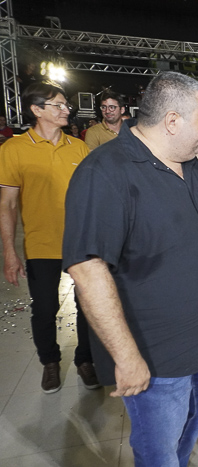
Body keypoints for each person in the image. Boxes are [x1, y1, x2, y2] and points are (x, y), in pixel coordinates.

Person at [62, 72, 198, 466]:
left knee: (193, 421)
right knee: (159, 448)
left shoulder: (188, 163)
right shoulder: (105, 171)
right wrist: (126, 357)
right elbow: (88, 269)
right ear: (172, 121)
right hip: (157, 354)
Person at [0, 83, 96, 394]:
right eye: (58, 105)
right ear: (37, 110)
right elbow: (7, 204)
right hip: (40, 244)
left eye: (65, 104)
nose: (66, 109)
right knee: (44, 308)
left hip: (81, 243)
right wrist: (10, 253)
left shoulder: (78, 148)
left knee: (88, 305)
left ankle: (85, 360)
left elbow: (93, 198)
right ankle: (50, 362)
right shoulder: (13, 149)